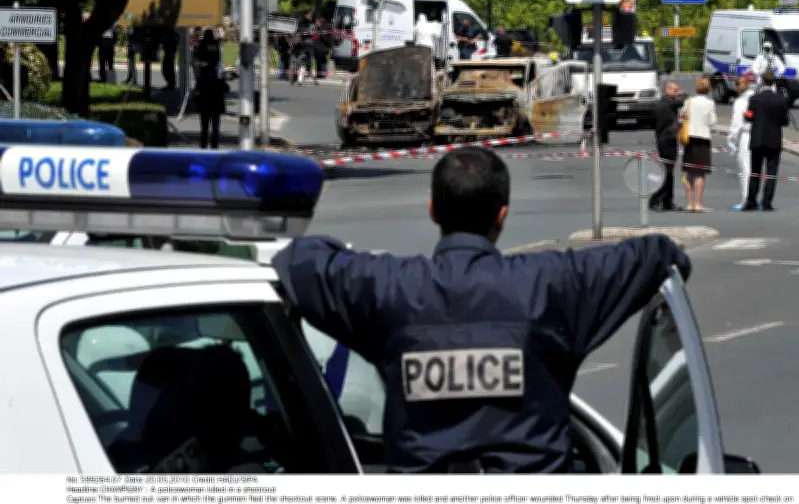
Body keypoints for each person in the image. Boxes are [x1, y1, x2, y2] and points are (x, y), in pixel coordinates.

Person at [272, 146, 691, 474]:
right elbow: (660, 256)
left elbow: (299, 261)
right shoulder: (554, 284)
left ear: (433, 209)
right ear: (502, 216)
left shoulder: (389, 289)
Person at [742, 71, 789, 211]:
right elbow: (785, 121)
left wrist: (747, 115)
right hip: (774, 140)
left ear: (762, 81)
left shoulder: (754, 98)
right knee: (771, 172)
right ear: (773, 82)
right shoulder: (780, 100)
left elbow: (749, 117)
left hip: (757, 138)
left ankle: (751, 200)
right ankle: (767, 202)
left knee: (755, 171)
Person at [679, 77, 716, 213]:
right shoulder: (709, 103)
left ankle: (689, 203)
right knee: (701, 173)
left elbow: (681, 117)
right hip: (703, 138)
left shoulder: (689, 101)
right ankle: (699, 203)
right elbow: (712, 121)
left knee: (689, 172)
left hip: (690, 138)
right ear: (708, 88)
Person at [650, 81, 685, 212]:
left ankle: (668, 201)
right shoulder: (667, 103)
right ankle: (655, 199)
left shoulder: (662, 103)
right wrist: (681, 94)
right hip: (667, 140)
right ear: (667, 90)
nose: (677, 93)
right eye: (675, 91)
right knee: (667, 172)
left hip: (664, 139)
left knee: (669, 173)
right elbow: (683, 99)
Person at [726, 76, 756, 211]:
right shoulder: (756, 97)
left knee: (744, 170)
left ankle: (746, 199)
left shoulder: (739, 102)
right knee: (756, 170)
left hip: (745, 135)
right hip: (758, 135)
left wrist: (731, 140)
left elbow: (736, 124)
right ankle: (754, 198)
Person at [193, 30, 227, 149]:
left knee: (204, 129)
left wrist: (197, 100)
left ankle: (203, 147)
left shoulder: (201, 76)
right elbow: (225, 88)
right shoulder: (218, 75)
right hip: (216, 106)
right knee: (215, 129)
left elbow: (197, 92)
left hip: (205, 106)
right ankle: (214, 148)